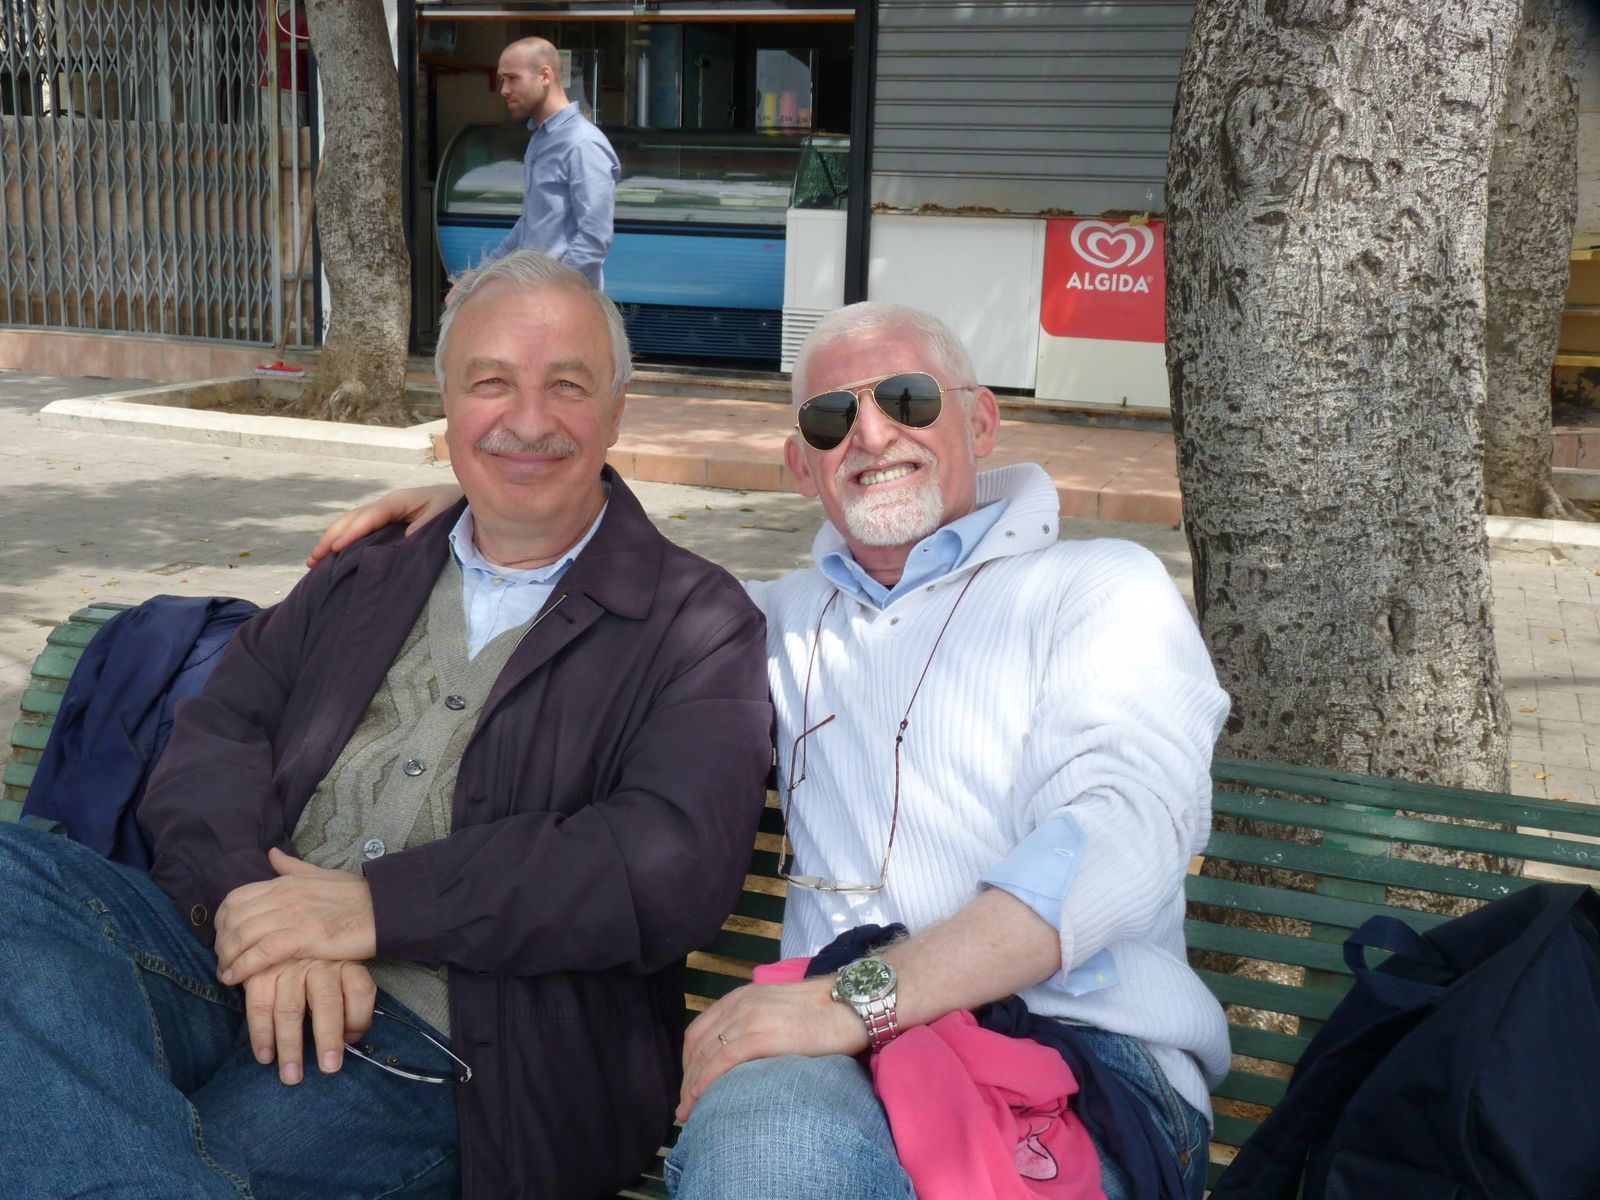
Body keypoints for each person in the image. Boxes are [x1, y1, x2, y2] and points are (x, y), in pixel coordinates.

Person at [309, 302, 1233, 1199]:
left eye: (908, 399)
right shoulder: (771, 622)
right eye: (832, 419)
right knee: (769, 1151)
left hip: (1074, 1048)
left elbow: (1117, 839)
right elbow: (613, 595)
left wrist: (857, 998)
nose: (872, 435)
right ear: (801, 466)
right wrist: (497, 500)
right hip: (821, 1057)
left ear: (981, 420)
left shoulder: (1100, 589)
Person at [0, 250, 772, 1200]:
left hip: (463, 1044)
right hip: (227, 962)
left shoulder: (696, 620)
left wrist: (374, 909)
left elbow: (667, 861)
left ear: (616, 412)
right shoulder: (369, 571)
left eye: (568, 386)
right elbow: (218, 734)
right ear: (447, 406)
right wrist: (264, 916)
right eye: (492, 383)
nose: (529, 420)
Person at [485, 36, 620, 288]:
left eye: (512, 78)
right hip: (534, 296)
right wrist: (478, 277)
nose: (504, 89)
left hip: (562, 304)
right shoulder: (540, 138)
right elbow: (530, 225)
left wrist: (551, 292)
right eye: (502, 79)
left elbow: (594, 239)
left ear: (545, 76)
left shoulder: (582, 143)